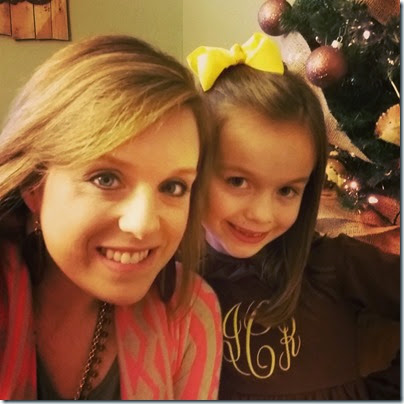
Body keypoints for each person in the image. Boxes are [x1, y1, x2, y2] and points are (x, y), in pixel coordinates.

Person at [0, 34, 223, 400]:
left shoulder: (189, 315)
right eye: (106, 179)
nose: (143, 224)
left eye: (173, 187)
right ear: (35, 187)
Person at [187, 32, 400, 400]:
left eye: (287, 190)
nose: (261, 214)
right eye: (237, 181)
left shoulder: (332, 262)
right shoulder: (166, 275)